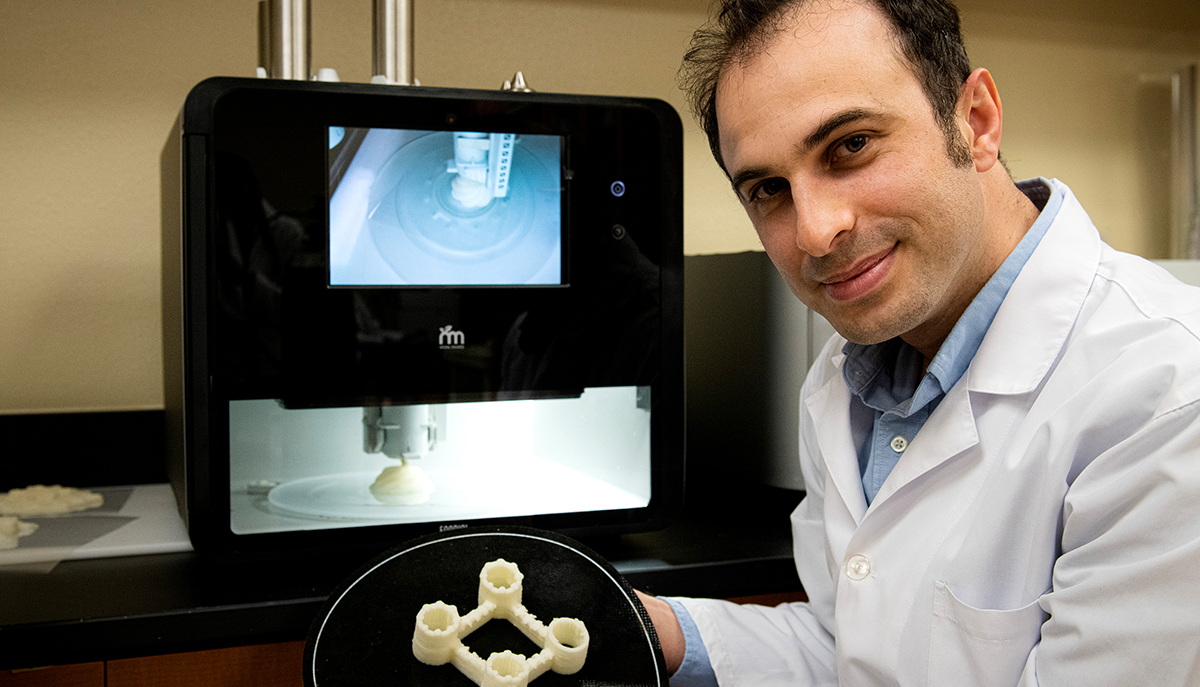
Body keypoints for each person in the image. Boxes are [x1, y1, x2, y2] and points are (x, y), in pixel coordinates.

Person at [635, 0, 1200, 684]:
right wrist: (650, 628)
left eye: (850, 146)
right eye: (769, 188)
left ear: (977, 122)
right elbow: (849, 647)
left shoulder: (1167, 392)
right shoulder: (852, 377)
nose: (815, 231)